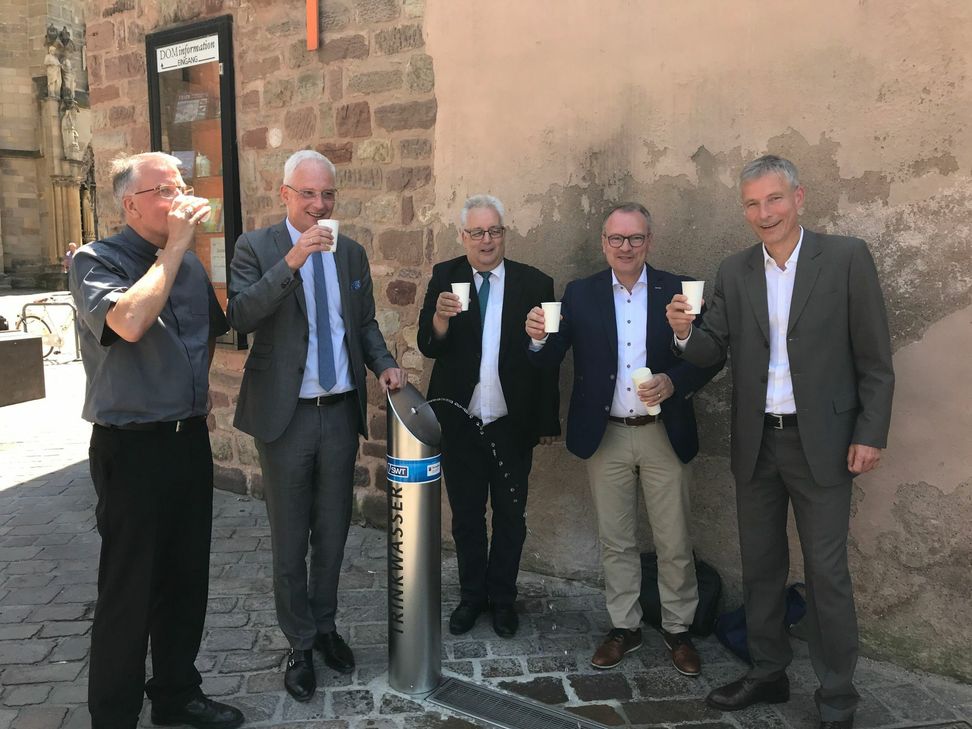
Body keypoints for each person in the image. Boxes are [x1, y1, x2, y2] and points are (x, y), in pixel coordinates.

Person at [666, 155, 894, 729]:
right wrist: (683, 332)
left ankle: (837, 697)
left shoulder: (845, 258)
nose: (763, 213)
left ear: (799, 198)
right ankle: (768, 672)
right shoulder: (735, 269)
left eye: (773, 199)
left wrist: (870, 432)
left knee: (827, 573)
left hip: (823, 443)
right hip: (757, 443)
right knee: (761, 566)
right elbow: (710, 350)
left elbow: (875, 361)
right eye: (751, 203)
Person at [69, 152, 242, 729]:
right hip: (131, 448)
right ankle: (114, 715)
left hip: (186, 442)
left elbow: (210, 334)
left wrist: (196, 403)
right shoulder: (98, 260)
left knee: (186, 577)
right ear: (131, 204)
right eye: (165, 189)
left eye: (182, 185)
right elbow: (128, 324)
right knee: (129, 587)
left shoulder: (190, 267)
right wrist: (175, 249)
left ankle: (176, 694)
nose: (181, 196)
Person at [227, 150, 406, 703]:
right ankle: (298, 643)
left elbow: (364, 323)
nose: (319, 204)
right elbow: (241, 315)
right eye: (307, 194)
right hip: (286, 416)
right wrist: (293, 261)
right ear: (284, 194)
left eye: (327, 194)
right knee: (289, 536)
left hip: (339, 410)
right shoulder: (256, 247)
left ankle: (325, 626)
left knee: (333, 530)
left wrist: (385, 365)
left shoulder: (350, 253)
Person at [525, 203, 722, 675]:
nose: (625, 247)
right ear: (604, 244)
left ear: (649, 241)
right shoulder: (581, 293)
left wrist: (675, 381)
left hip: (662, 432)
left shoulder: (677, 289)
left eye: (635, 239)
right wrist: (534, 338)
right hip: (606, 433)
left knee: (674, 538)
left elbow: (711, 354)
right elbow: (549, 357)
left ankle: (678, 630)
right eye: (616, 239)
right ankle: (625, 627)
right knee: (615, 540)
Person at [417, 194, 560, 638]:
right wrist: (440, 321)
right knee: (465, 516)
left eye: (494, 231)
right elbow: (429, 345)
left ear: (504, 235)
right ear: (463, 236)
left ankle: (503, 598)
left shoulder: (535, 282)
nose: (485, 240)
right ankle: (471, 596)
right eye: (476, 232)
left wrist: (538, 342)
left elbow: (549, 355)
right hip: (460, 422)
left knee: (511, 516)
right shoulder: (446, 276)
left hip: (510, 422)